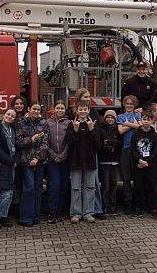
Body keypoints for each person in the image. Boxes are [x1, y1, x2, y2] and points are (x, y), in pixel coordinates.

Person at [65, 88, 106, 220]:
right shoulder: (72, 124)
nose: (83, 111)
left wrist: (92, 130)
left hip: (89, 160)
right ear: (76, 111)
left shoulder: (92, 124)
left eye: (85, 109)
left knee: (90, 187)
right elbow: (70, 143)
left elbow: (97, 144)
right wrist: (75, 130)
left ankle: (89, 213)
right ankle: (76, 213)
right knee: (76, 188)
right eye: (80, 109)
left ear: (89, 111)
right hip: (76, 161)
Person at [16, 101, 49, 227]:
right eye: (34, 109)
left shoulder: (43, 123)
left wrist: (37, 158)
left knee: (38, 188)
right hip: (26, 161)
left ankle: (36, 216)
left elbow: (45, 143)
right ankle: (25, 218)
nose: (36, 111)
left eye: (38, 110)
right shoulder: (21, 123)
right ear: (29, 109)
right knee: (28, 188)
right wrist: (31, 139)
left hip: (39, 161)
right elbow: (19, 142)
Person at [131, 110, 157, 218]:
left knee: (151, 186)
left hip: (150, 165)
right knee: (138, 187)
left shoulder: (154, 135)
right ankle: (139, 208)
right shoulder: (135, 134)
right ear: (141, 120)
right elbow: (133, 149)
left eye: (148, 120)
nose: (146, 122)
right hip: (138, 165)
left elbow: (156, 150)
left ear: (152, 121)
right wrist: (139, 160)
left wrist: (147, 162)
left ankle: (152, 208)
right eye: (144, 119)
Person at [45, 100, 71, 224]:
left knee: (63, 185)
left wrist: (64, 154)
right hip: (52, 159)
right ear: (53, 109)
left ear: (65, 110)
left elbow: (69, 141)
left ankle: (60, 211)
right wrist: (53, 154)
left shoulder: (68, 123)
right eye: (58, 108)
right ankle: (52, 212)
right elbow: (45, 141)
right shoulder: (47, 123)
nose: (60, 110)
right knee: (54, 185)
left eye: (62, 108)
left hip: (64, 159)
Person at [116, 95, 142, 215]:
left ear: (134, 105)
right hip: (125, 150)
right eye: (127, 103)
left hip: (137, 150)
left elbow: (140, 127)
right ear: (124, 105)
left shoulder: (138, 115)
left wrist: (127, 124)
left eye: (131, 104)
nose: (129, 106)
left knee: (137, 178)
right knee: (126, 179)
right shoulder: (120, 116)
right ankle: (128, 204)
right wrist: (133, 125)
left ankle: (138, 205)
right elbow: (120, 131)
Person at [98, 110, 122, 215]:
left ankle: (113, 208)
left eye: (112, 117)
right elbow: (100, 144)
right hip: (104, 161)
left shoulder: (118, 129)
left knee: (113, 185)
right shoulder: (100, 129)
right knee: (105, 186)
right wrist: (110, 145)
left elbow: (120, 143)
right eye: (108, 117)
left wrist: (109, 142)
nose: (110, 119)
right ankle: (104, 207)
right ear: (105, 118)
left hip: (115, 161)